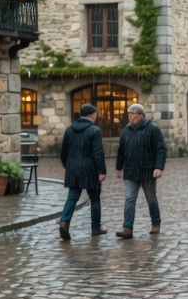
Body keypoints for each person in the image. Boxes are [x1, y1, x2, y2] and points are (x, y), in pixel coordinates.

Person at [115, 103, 166, 238]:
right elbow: (121, 150)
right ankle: (127, 228)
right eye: (130, 114)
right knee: (129, 199)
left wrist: (158, 167)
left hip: (148, 171)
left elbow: (160, 149)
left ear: (141, 115)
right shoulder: (126, 130)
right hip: (131, 171)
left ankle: (156, 224)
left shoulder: (152, 129)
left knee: (151, 199)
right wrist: (119, 167)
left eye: (134, 114)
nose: (131, 117)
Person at [58, 103, 106, 240]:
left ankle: (64, 221)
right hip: (90, 169)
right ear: (92, 115)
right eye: (96, 114)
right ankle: (96, 228)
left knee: (72, 197)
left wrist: (67, 165)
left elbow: (64, 152)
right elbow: (98, 153)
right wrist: (101, 171)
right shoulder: (95, 130)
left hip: (73, 168)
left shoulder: (69, 130)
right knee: (95, 199)